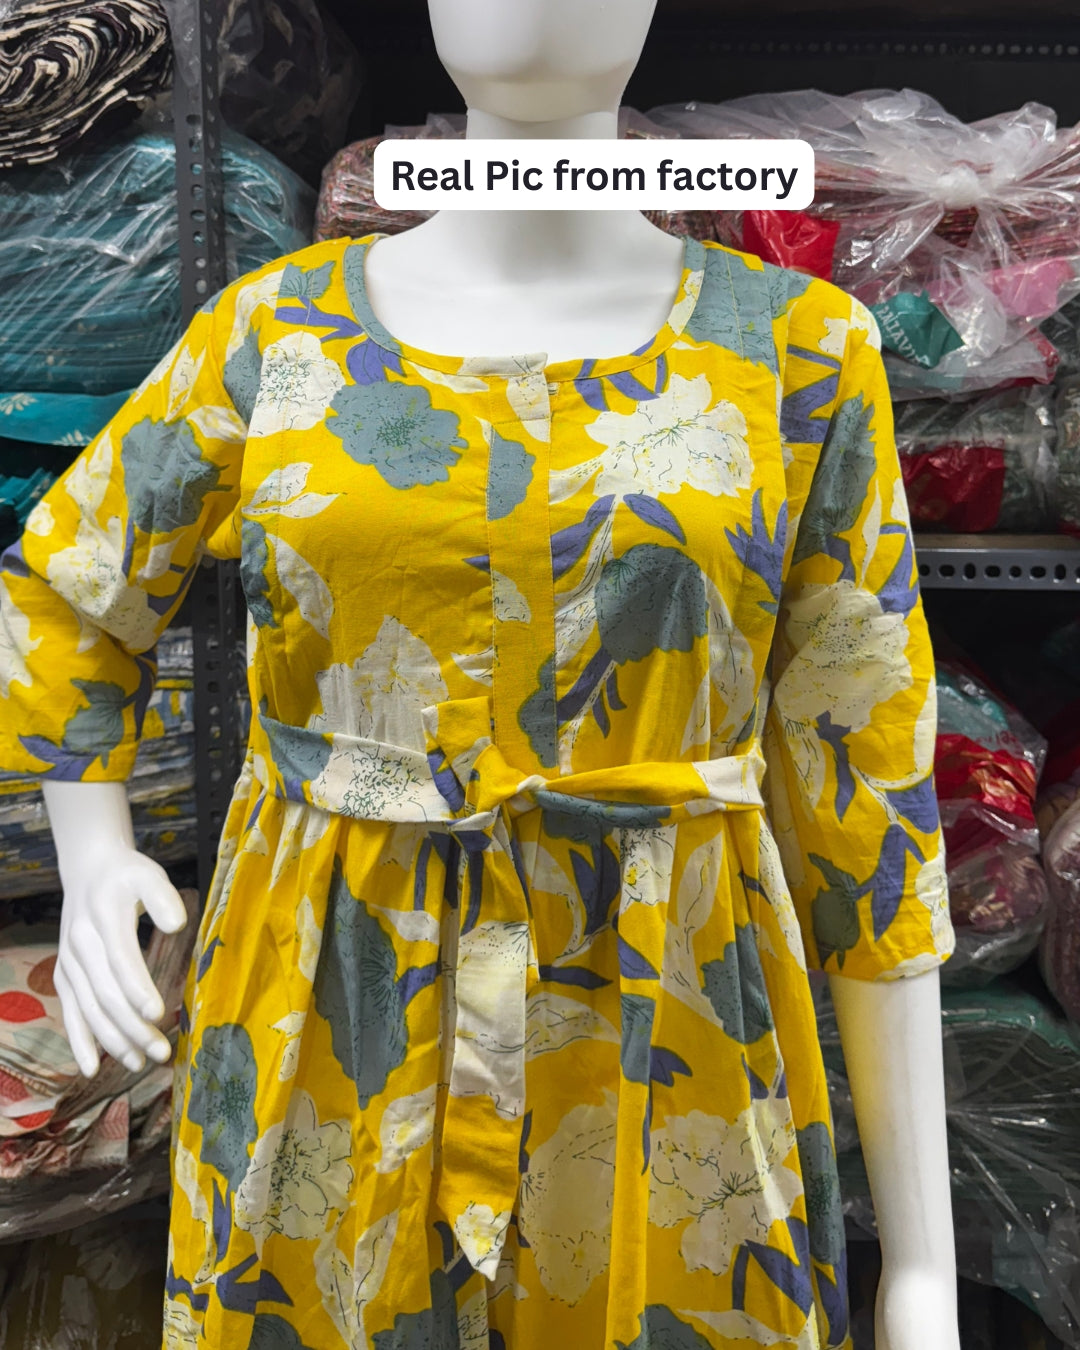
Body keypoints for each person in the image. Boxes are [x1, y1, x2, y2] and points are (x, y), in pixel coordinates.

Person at [0, 1, 960, 1345]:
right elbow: (65, 586)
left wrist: (921, 1268)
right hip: (329, 991)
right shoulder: (271, 332)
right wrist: (94, 852)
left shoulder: (801, 351)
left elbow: (868, 783)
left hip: (661, 1000)